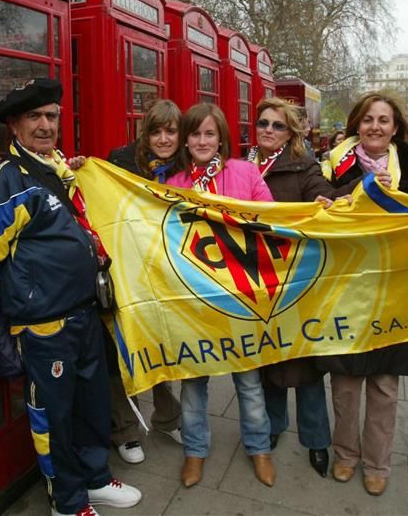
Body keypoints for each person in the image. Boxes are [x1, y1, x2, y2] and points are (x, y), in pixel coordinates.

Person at [0, 79, 141, 516]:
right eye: (34, 117)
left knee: (91, 402)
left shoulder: (61, 169)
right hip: (44, 322)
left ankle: (95, 478)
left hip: (85, 311)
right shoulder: (5, 182)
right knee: (54, 415)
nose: (45, 125)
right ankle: (67, 500)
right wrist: (31, 290)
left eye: (52, 116)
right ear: (14, 125)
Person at [166, 102, 277, 489]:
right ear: (186, 139)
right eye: (195, 134)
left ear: (221, 138)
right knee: (194, 384)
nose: (201, 141)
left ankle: (258, 448)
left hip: (241, 294)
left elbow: (274, 219)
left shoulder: (245, 172)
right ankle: (195, 452)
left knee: (248, 383)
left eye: (209, 134)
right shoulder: (175, 183)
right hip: (194, 300)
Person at [317, 92, 408, 497]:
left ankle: (378, 462)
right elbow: (322, 206)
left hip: (393, 284)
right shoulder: (333, 162)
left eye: (383, 120)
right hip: (345, 283)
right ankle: (346, 454)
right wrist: (360, 188)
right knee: (345, 382)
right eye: (367, 120)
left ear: (395, 128)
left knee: (384, 384)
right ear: (356, 125)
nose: (375, 127)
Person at [248, 97, 346, 479]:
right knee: (267, 361)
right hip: (255, 280)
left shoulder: (305, 168)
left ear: (291, 134)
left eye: (278, 126)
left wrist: (334, 197)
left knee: (306, 369)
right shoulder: (241, 166)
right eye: (263, 123)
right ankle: (272, 428)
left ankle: (316, 440)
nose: (269, 131)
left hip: (297, 281)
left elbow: (326, 193)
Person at [105, 99, 184, 462]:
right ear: (145, 132)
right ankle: (125, 429)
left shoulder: (186, 166)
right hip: (127, 268)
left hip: (168, 271)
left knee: (161, 345)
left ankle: (168, 416)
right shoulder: (120, 160)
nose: (164, 138)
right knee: (124, 348)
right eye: (157, 131)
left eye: (171, 131)